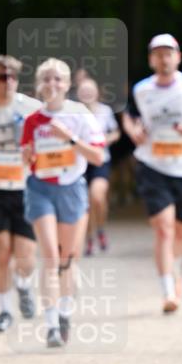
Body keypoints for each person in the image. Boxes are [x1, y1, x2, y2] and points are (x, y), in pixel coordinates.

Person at [122, 34, 182, 313]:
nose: (164, 59)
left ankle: (175, 271)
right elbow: (128, 115)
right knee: (163, 229)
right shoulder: (141, 89)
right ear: (151, 59)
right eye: (158, 54)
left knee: (180, 230)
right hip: (152, 165)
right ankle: (167, 290)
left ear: (177, 57)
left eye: (169, 54)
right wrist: (132, 130)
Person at [21, 58, 105, 348]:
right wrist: (26, 156)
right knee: (50, 258)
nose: (52, 84)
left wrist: (68, 139)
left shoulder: (80, 115)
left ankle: (66, 311)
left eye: (58, 79)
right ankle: (52, 325)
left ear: (67, 84)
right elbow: (27, 160)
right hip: (40, 188)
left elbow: (98, 157)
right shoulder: (32, 120)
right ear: (39, 85)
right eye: (46, 79)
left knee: (68, 259)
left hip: (72, 189)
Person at [0, 55, 41, 331]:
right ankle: (4, 311)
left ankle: (24, 286)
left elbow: (51, 145)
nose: (9, 82)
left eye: (14, 77)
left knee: (25, 258)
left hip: (26, 190)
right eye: (3, 77)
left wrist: (35, 154)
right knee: (1, 252)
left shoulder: (32, 109)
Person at [76, 76, 120, 255]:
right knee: (84, 203)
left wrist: (104, 140)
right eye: (83, 90)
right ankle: (88, 239)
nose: (87, 93)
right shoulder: (73, 112)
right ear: (78, 94)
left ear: (97, 93)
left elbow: (116, 132)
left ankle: (100, 228)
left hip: (101, 160)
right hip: (80, 162)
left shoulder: (105, 111)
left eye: (90, 90)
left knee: (97, 197)